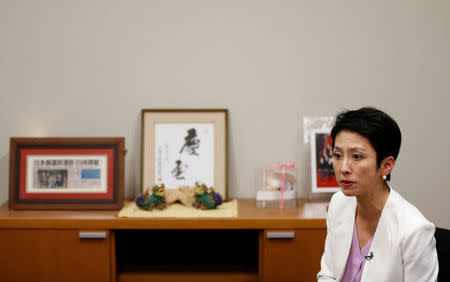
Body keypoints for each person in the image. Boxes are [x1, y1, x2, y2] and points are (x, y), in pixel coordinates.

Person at [317, 107, 438, 281]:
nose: (343, 168)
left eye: (357, 156)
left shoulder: (414, 230)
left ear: (386, 165)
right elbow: (328, 274)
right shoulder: (338, 203)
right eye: (337, 155)